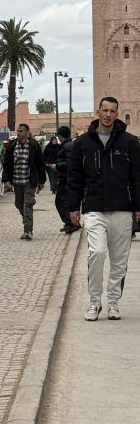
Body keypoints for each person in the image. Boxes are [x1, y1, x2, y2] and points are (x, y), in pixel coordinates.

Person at [67, 96, 140, 321]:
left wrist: (138, 207)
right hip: (94, 208)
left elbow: (137, 177)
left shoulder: (130, 142)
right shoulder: (82, 143)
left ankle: (114, 302)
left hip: (122, 208)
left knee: (119, 260)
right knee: (97, 253)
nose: (108, 115)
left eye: (112, 111)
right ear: (97, 112)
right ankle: (94, 301)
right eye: (104, 110)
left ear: (117, 114)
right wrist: (73, 206)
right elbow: (74, 177)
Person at [2, 123, 46, 240]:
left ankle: (28, 231)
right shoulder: (12, 146)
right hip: (17, 181)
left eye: (21, 131)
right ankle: (26, 222)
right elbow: (7, 164)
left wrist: (42, 181)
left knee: (28, 205)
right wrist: (6, 180)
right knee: (19, 204)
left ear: (27, 132)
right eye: (17, 131)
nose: (18, 133)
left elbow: (40, 164)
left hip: (29, 181)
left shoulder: (34, 146)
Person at [54, 125, 78, 233]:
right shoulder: (69, 144)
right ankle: (74, 222)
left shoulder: (67, 146)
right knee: (66, 201)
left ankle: (70, 223)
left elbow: (70, 163)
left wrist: (57, 166)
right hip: (67, 178)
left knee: (60, 201)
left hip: (66, 178)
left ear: (60, 136)